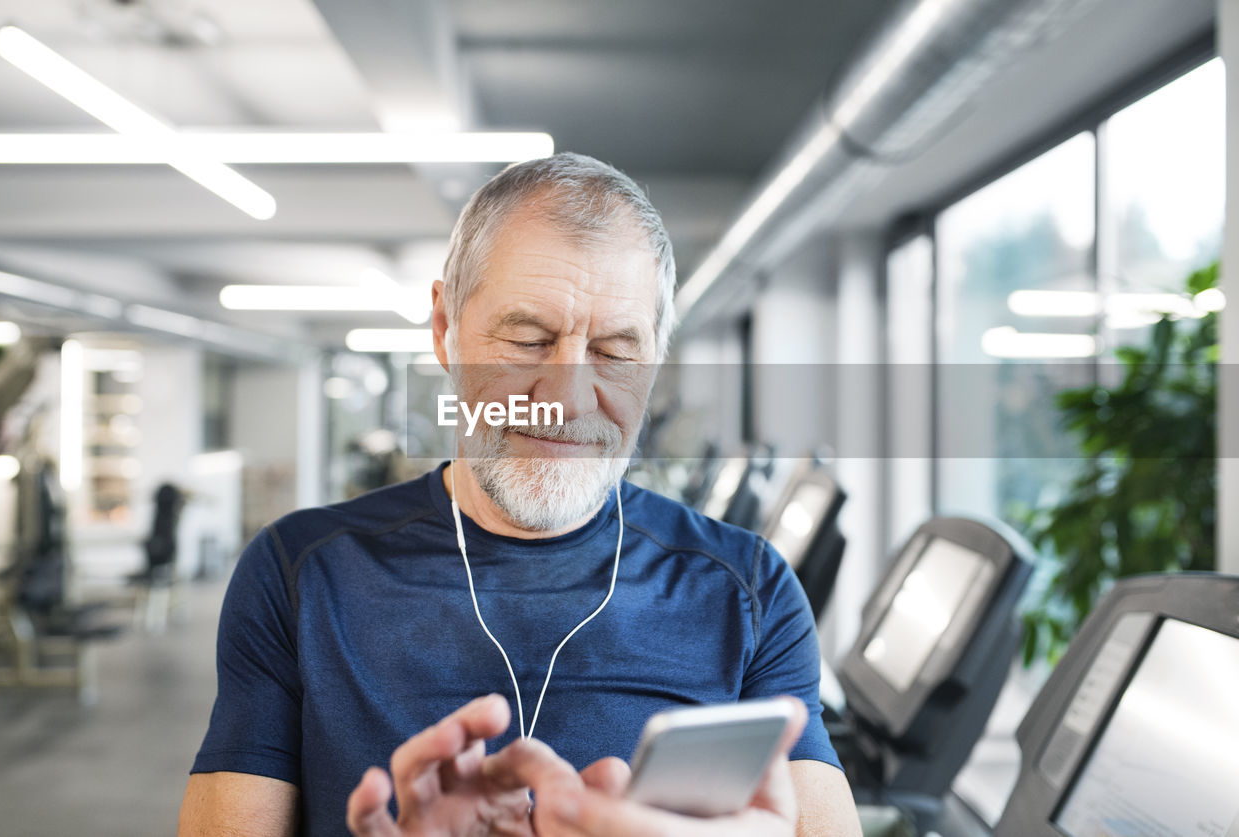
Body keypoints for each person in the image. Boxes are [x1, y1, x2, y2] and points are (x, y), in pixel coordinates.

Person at [178, 153, 862, 837]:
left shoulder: (746, 590)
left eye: (618, 352)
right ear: (445, 329)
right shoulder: (300, 573)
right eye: (528, 340)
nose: (566, 398)